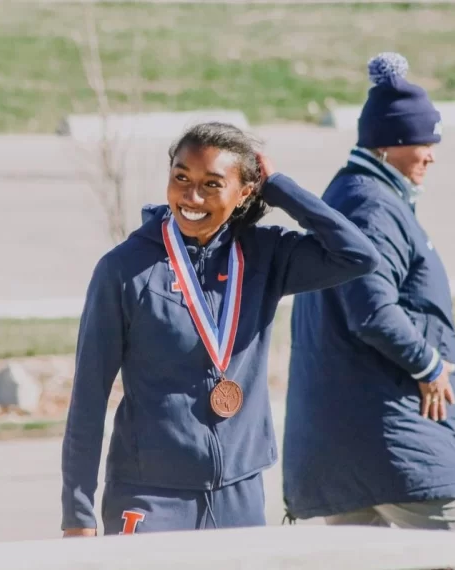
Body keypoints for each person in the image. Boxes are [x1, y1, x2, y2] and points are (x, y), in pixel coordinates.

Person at [61, 121, 382, 536]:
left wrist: (280, 187)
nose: (191, 197)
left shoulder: (265, 256)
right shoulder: (124, 270)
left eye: (212, 184)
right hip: (151, 495)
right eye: (181, 178)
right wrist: (78, 515)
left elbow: (358, 256)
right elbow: (88, 397)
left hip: (240, 493)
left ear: (245, 191)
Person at [281, 52, 455, 532]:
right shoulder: (371, 207)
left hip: (350, 439)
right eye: (421, 141)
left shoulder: (357, 196)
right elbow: (371, 310)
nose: (431, 153)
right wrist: (428, 365)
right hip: (390, 438)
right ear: (386, 145)